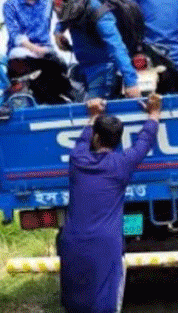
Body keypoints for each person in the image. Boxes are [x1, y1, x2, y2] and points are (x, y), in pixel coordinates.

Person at [58, 94, 161, 313]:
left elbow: (83, 140)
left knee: (75, 304)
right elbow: (144, 140)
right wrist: (154, 113)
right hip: (105, 245)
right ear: (119, 141)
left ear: (96, 138)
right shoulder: (122, 163)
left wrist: (93, 115)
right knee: (105, 303)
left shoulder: (78, 159)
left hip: (72, 243)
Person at [52, 0, 141, 99]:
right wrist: (58, 32)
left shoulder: (101, 16)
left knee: (91, 112)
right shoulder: (73, 10)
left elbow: (117, 47)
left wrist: (131, 82)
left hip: (102, 70)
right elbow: (65, 19)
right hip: (83, 67)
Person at [3, 0, 72, 104]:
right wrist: (36, 50)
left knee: (61, 66)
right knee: (42, 63)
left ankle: (60, 98)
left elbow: (66, 14)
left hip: (46, 54)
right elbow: (15, 35)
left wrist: (58, 33)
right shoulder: (10, 5)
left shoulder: (48, 1)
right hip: (23, 53)